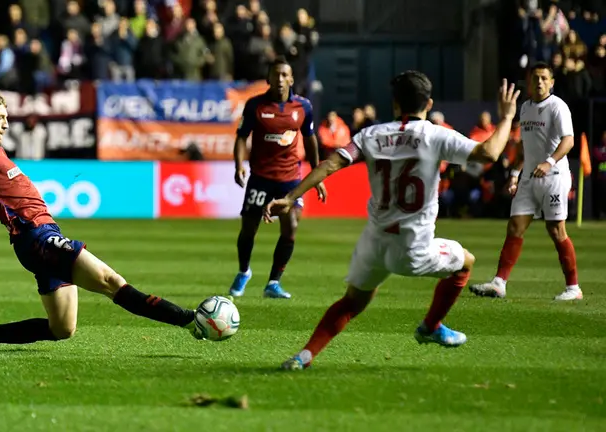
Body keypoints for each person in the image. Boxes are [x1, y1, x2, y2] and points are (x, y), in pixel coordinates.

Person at [265, 71, 520, 370]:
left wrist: (290, 196)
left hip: (373, 245)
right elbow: (489, 152)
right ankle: (431, 326)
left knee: (352, 302)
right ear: (429, 103)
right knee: (466, 261)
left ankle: (303, 356)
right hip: (414, 249)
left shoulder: (371, 135)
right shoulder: (435, 135)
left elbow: (331, 163)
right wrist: (506, 118)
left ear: (395, 104)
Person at [0, 92, 205, 350]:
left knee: (62, 328)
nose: (6, 124)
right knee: (112, 282)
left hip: (37, 240)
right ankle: (189, 320)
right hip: (38, 237)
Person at [469, 62, 581, 301]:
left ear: (551, 82)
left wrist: (549, 162)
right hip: (529, 177)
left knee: (556, 230)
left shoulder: (558, 107)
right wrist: (514, 174)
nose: (539, 82)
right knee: (515, 227)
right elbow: (525, 148)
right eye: (535, 78)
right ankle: (499, 283)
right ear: (529, 82)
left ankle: (573, 288)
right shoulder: (526, 108)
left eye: (543, 78)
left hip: (554, 177)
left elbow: (569, 141)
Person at [230, 57, 326, 299]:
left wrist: (317, 173)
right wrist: (239, 164)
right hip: (261, 177)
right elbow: (242, 136)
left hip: (291, 179)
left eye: (285, 75)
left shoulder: (303, 107)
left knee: (291, 227)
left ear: (291, 79)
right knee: (249, 229)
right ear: (268, 79)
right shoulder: (255, 106)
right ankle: (244, 271)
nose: (280, 79)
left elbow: (310, 139)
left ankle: (273, 282)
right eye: (276, 75)